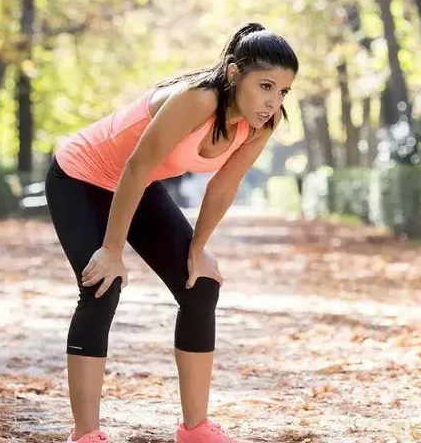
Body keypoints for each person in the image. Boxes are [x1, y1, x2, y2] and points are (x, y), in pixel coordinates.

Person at [45, 22, 298, 443]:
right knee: (101, 286)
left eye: (284, 92)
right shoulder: (198, 99)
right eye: (266, 86)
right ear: (235, 74)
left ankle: (195, 429)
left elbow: (223, 185)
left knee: (200, 286)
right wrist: (111, 249)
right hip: (81, 176)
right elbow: (137, 166)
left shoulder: (260, 126)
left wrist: (199, 248)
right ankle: (85, 434)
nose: (273, 101)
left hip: (135, 185)